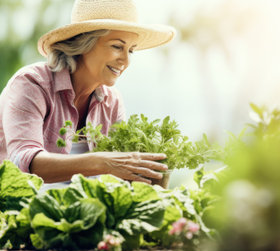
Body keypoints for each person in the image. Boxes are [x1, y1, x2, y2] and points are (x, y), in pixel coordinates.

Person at [0, 0, 176, 184]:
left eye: (130, 50)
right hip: (15, 207)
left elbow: (120, 171)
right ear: (85, 43)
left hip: (81, 208)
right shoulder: (32, 84)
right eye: (117, 46)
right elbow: (23, 163)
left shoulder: (112, 101)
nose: (125, 60)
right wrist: (101, 162)